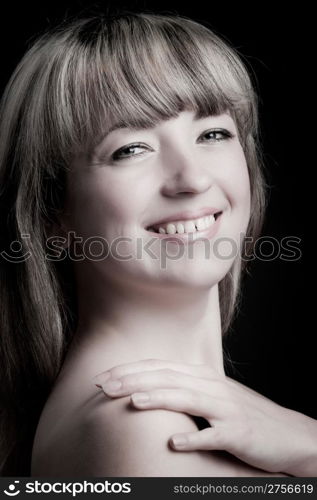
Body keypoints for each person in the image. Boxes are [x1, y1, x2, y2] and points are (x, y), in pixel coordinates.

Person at [0, 11, 315, 477]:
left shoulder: (178, 421)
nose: (192, 178)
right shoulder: (140, 429)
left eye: (213, 133)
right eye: (131, 148)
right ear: (53, 213)